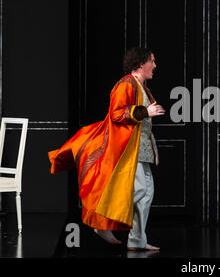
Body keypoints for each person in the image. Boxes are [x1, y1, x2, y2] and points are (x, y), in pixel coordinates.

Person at [48, 47, 165, 251]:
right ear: (140, 64)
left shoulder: (141, 86)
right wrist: (145, 111)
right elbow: (116, 114)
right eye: (152, 61)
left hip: (141, 149)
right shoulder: (126, 84)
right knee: (140, 190)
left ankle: (137, 240)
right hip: (129, 150)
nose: (154, 65)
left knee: (146, 193)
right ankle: (101, 221)